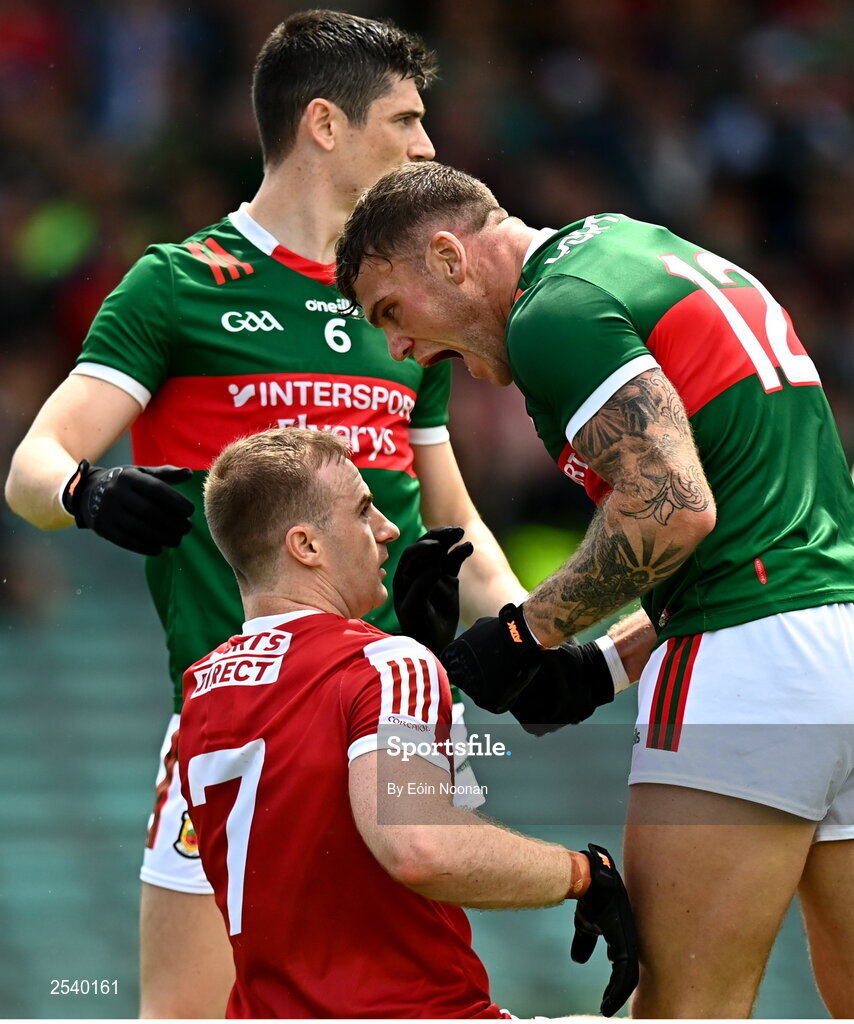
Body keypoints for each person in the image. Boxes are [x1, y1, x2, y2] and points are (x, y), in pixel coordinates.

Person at [2, 15, 541, 1018]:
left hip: (387, 737)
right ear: (324, 124)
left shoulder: (401, 312)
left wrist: (527, 625)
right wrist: (85, 494)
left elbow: (450, 517)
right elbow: (33, 465)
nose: (425, 147)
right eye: (406, 120)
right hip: (231, 741)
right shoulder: (177, 286)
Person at [334, 160, 854, 1019]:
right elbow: (754, 536)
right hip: (833, 651)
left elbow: (673, 509)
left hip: (746, 671)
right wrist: (597, 669)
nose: (400, 348)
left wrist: (519, 635)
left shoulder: (554, 313)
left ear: (449, 257)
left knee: (682, 1011)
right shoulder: (631, 253)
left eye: (393, 312)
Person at [178, 425, 638, 1019]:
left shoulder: (202, 687)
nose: (389, 529)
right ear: (306, 545)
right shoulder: (383, 663)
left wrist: (428, 669)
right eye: (365, 509)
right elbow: (423, 845)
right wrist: (583, 875)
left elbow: (313, 813)